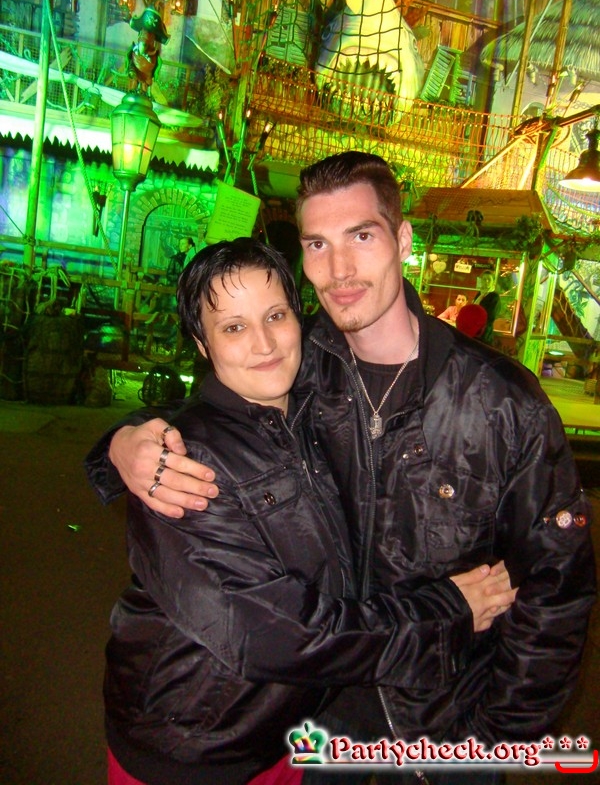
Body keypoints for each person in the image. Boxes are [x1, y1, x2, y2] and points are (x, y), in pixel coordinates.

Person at [87, 152, 596, 781]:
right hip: (316, 713)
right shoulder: (301, 366)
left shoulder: (500, 401)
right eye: (317, 244)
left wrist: (495, 737)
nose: (339, 269)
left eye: (361, 236)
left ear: (402, 240)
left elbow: (555, 589)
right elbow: (210, 416)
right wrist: (124, 442)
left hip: (445, 717)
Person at [473, 270, 500, 344]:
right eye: (484, 279)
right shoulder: (479, 294)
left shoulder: (494, 296)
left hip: (484, 333)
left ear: (493, 282)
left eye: (489, 279)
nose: (486, 281)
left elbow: (492, 316)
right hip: (475, 330)